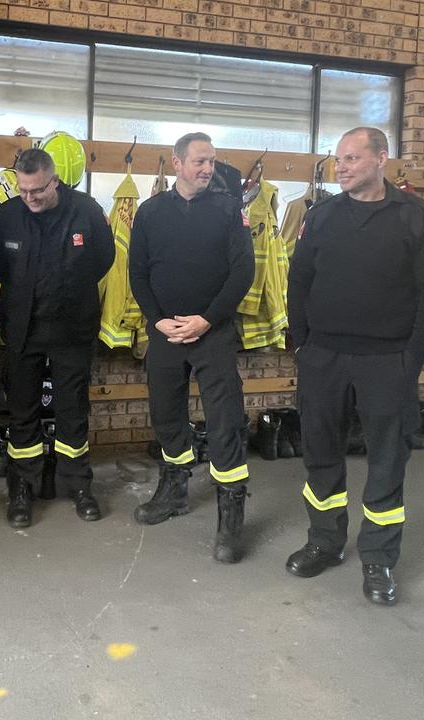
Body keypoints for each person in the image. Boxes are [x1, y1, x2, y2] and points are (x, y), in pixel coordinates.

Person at [283, 127, 424, 605]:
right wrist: (305, 345)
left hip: (387, 360)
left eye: (353, 158)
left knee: (387, 460)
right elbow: (299, 282)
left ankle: (378, 557)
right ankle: (325, 540)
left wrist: (413, 356)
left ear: (382, 158)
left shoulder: (417, 217)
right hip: (325, 359)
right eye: (339, 159)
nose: (342, 167)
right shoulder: (321, 217)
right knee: (320, 451)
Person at [128, 132, 255, 563]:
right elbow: (138, 273)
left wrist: (207, 318)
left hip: (212, 330)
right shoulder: (150, 212)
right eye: (200, 161)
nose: (208, 169)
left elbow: (242, 272)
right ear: (177, 163)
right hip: (166, 332)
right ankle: (174, 490)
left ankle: (230, 515)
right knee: (166, 414)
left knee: (225, 421)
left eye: (212, 162)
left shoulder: (228, 210)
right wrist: (158, 319)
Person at [0, 149, 114, 527]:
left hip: (72, 330)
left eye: (38, 189)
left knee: (72, 410)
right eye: (24, 190)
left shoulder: (86, 211)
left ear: (54, 180)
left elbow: (103, 259)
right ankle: (21, 488)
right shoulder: (8, 216)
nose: (31, 198)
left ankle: (78, 485)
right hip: (23, 330)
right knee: (22, 412)